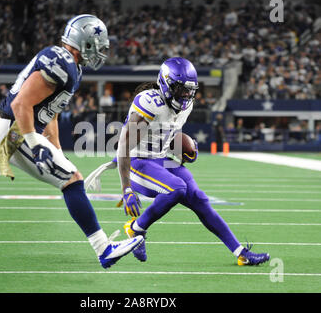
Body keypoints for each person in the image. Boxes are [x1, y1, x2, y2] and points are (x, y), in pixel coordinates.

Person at [0, 14, 143, 269]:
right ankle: (104, 249)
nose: (101, 52)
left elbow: (50, 112)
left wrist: (56, 149)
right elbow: (21, 103)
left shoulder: (71, 67)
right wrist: (34, 143)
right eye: (98, 45)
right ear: (85, 42)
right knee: (72, 179)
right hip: (12, 131)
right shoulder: (60, 61)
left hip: (0, 128)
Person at [85, 57, 270, 266]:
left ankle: (240, 252)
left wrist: (184, 148)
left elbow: (165, 134)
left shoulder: (185, 106)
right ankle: (137, 228)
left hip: (161, 159)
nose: (185, 94)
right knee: (177, 188)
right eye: (180, 89)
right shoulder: (149, 102)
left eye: (189, 90)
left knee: (199, 198)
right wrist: (126, 189)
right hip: (136, 161)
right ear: (165, 83)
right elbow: (124, 146)